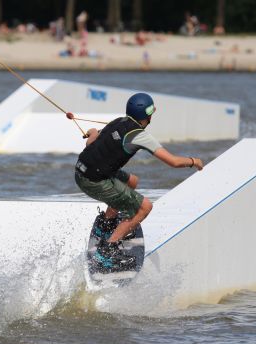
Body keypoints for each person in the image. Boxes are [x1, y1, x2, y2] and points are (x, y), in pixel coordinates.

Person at [75, 93, 203, 269]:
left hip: (82, 171)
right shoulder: (140, 136)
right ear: (147, 115)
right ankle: (106, 252)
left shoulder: (118, 121)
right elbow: (173, 161)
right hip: (94, 180)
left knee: (132, 181)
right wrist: (193, 161)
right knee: (144, 207)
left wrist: (93, 132)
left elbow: (91, 145)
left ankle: (105, 225)